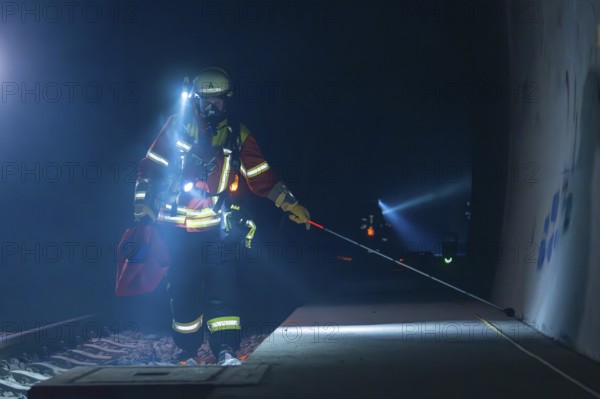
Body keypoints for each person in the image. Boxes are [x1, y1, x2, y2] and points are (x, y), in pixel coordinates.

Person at [133, 67, 310, 365]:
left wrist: (290, 204)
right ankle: (187, 351)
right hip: (176, 228)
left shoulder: (237, 134)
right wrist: (143, 207)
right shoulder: (177, 127)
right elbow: (150, 167)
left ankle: (225, 349)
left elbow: (260, 175)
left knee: (223, 291)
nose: (214, 106)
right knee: (183, 290)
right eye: (208, 100)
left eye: (220, 100)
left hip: (215, 228)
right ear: (196, 100)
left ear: (228, 100)